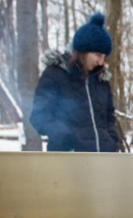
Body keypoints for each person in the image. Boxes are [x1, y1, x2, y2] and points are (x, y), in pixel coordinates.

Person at [30, 12, 123, 153]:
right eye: (98, 55)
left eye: (104, 56)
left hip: (102, 161)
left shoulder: (101, 80)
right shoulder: (55, 74)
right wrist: (64, 137)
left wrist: (112, 139)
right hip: (67, 160)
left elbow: (109, 116)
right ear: (83, 51)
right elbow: (39, 116)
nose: (101, 62)